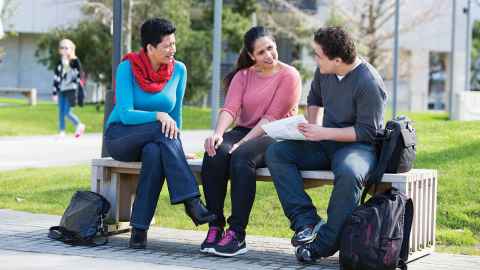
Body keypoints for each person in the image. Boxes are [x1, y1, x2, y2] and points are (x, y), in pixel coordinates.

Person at [265, 26, 387, 262]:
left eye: (318, 55)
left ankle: (324, 244)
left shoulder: (369, 82)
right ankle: (306, 222)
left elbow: (367, 131)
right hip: (324, 141)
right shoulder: (325, 70)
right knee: (277, 152)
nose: (315, 59)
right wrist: (311, 128)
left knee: (350, 174)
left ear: (338, 60)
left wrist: (322, 132)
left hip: (358, 147)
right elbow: (314, 99)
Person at [104, 18, 216, 249]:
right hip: (121, 137)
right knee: (160, 129)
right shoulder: (127, 68)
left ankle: (139, 230)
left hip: (156, 141)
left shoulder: (179, 70)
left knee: (155, 152)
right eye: (166, 46)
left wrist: (176, 149)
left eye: (174, 44)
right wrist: (158, 116)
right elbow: (125, 114)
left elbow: (176, 115)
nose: (172, 50)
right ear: (150, 48)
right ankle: (191, 201)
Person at [200, 26, 302, 257]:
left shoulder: (290, 75)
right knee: (214, 152)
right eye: (261, 52)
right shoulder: (243, 76)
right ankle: (215, 226)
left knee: (241, 156)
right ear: (251, 55)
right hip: (246, 129)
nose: (268, 55)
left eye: (270, 48)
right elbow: (230, 108)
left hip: (276, 134)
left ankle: (237, 233)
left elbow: (271, 118)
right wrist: (218, 133)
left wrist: (242, 143)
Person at [52, 39, 86, 138]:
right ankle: (62, 131)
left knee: (67, 111)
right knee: (61, 111)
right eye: (62, 48)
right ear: (59, 50)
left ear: (71, 49)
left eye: (66, 48)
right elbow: (56, 78)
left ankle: (78, 124)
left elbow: (80, 75)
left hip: (71, 90)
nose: (64, 50)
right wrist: (54, 93)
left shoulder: (75, 61)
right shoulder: (59, 62)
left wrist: (69, 66)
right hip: (61, 90)